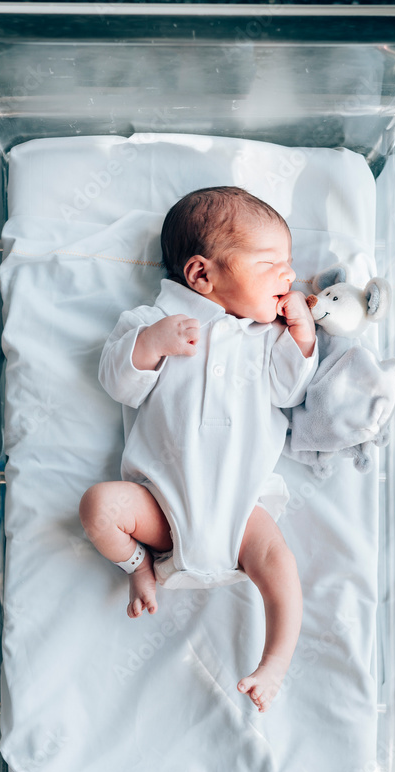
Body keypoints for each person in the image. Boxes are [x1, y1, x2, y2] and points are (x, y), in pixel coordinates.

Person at [80, 186, 317, 711]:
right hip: (162, 504)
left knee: (280, 567)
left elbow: (290, 391)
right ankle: (138, 565)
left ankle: (274, 661)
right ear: (201, 275)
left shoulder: (264, 338)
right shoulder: (149, 322)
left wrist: (301, 339)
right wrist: (152, 345)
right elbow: (119, 381)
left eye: (290, 263)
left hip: (241, 508)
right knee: (98, 507)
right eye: (271, 264)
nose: (289, 277)